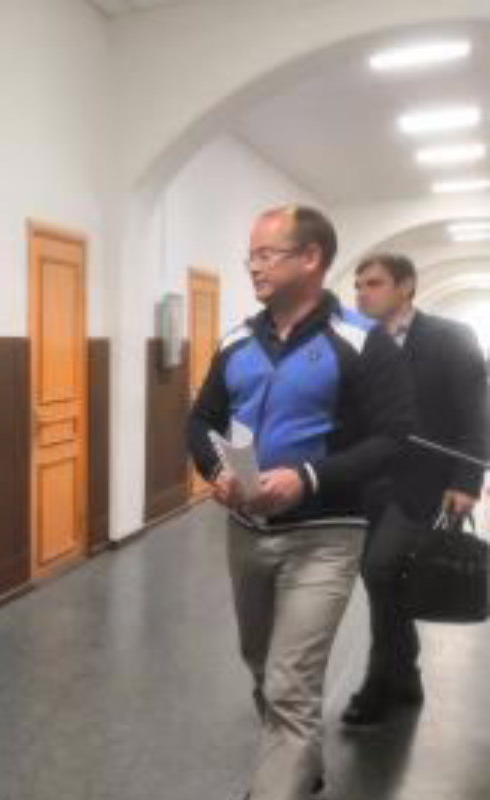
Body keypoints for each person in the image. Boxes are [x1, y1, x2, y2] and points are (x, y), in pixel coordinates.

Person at [185, 206, 413, 800]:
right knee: (262, 665)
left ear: (311, 258)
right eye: (252, 256)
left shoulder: (363, 343)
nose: (254, 267)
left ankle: (277, 783)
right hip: (247, 531)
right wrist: (216, 470)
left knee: (291, 682)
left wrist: (308, 478)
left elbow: (393, 439)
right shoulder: (237, 340)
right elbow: (201, 420)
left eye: (267, 254)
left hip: (326, 536)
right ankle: (300, 766)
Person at [343, 252, 487, 725]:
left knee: (379, 569)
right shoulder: (360, 342)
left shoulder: (449, 338)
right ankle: (404, 677)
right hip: (372, 482)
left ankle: (380, 684)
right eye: (358, 285)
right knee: (383, 577)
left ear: (406, 286)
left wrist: (468, 480)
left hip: (428, 483)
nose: (362, 293)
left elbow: (476, 414)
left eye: (374, 283)